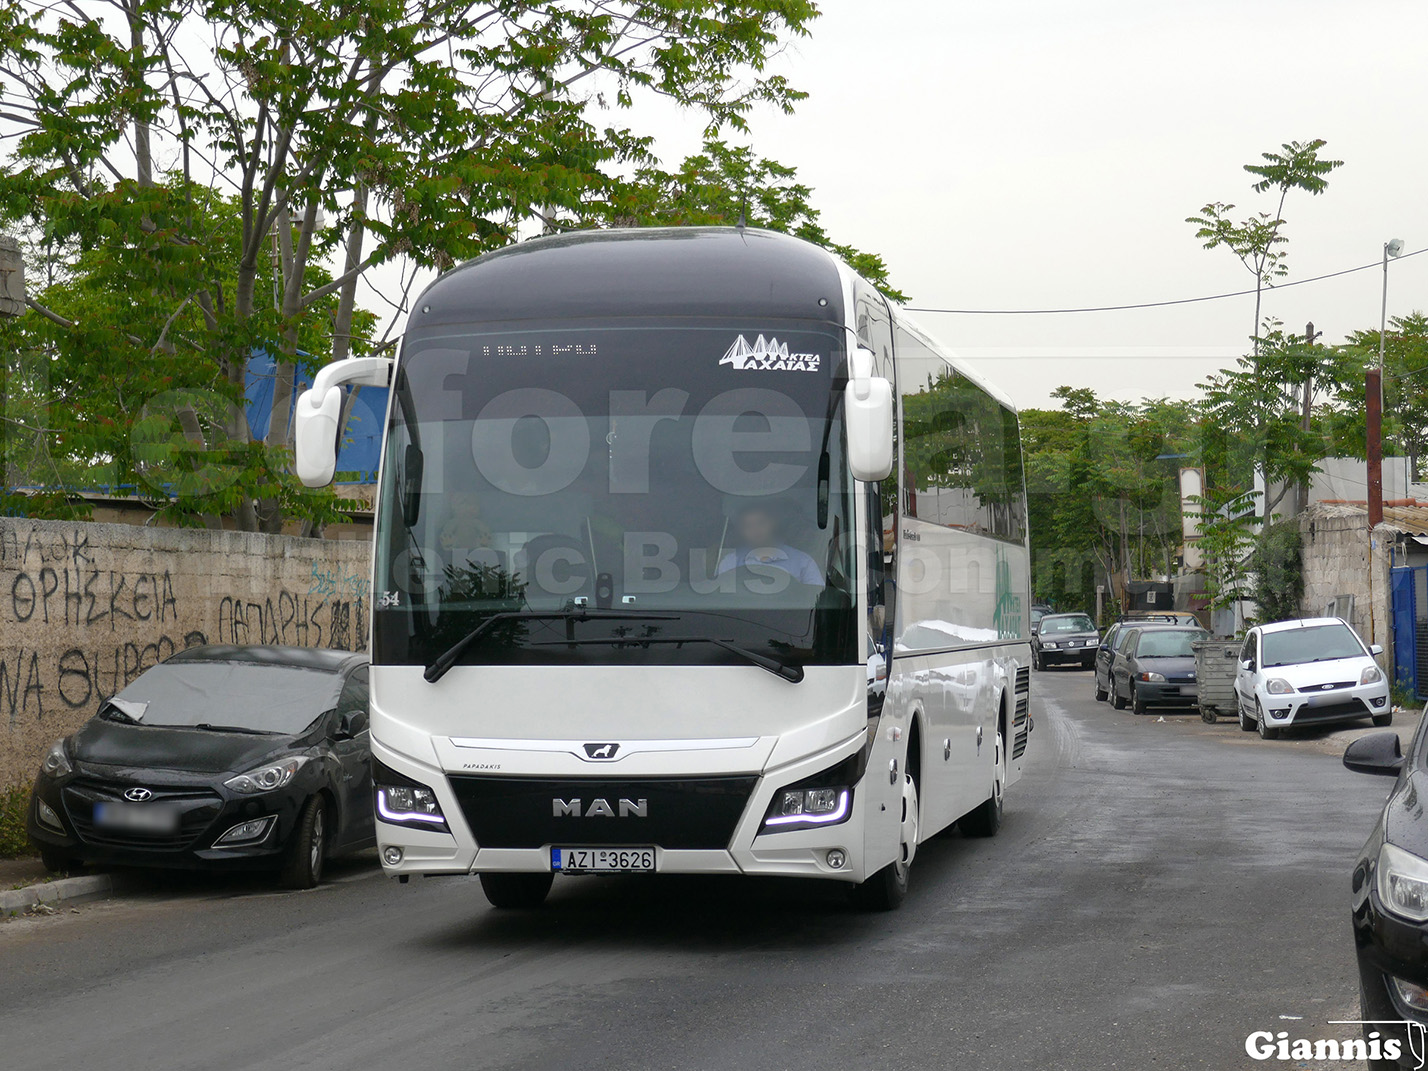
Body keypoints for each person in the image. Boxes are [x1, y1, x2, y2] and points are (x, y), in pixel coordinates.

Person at [716, 503, 823, 585]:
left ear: (773, 523)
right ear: (740, 531)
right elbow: (721, 598)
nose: (755, 530)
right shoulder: (730, 562)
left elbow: (815, 596)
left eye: (761, 523)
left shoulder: (803, 561)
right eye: (748, 526)